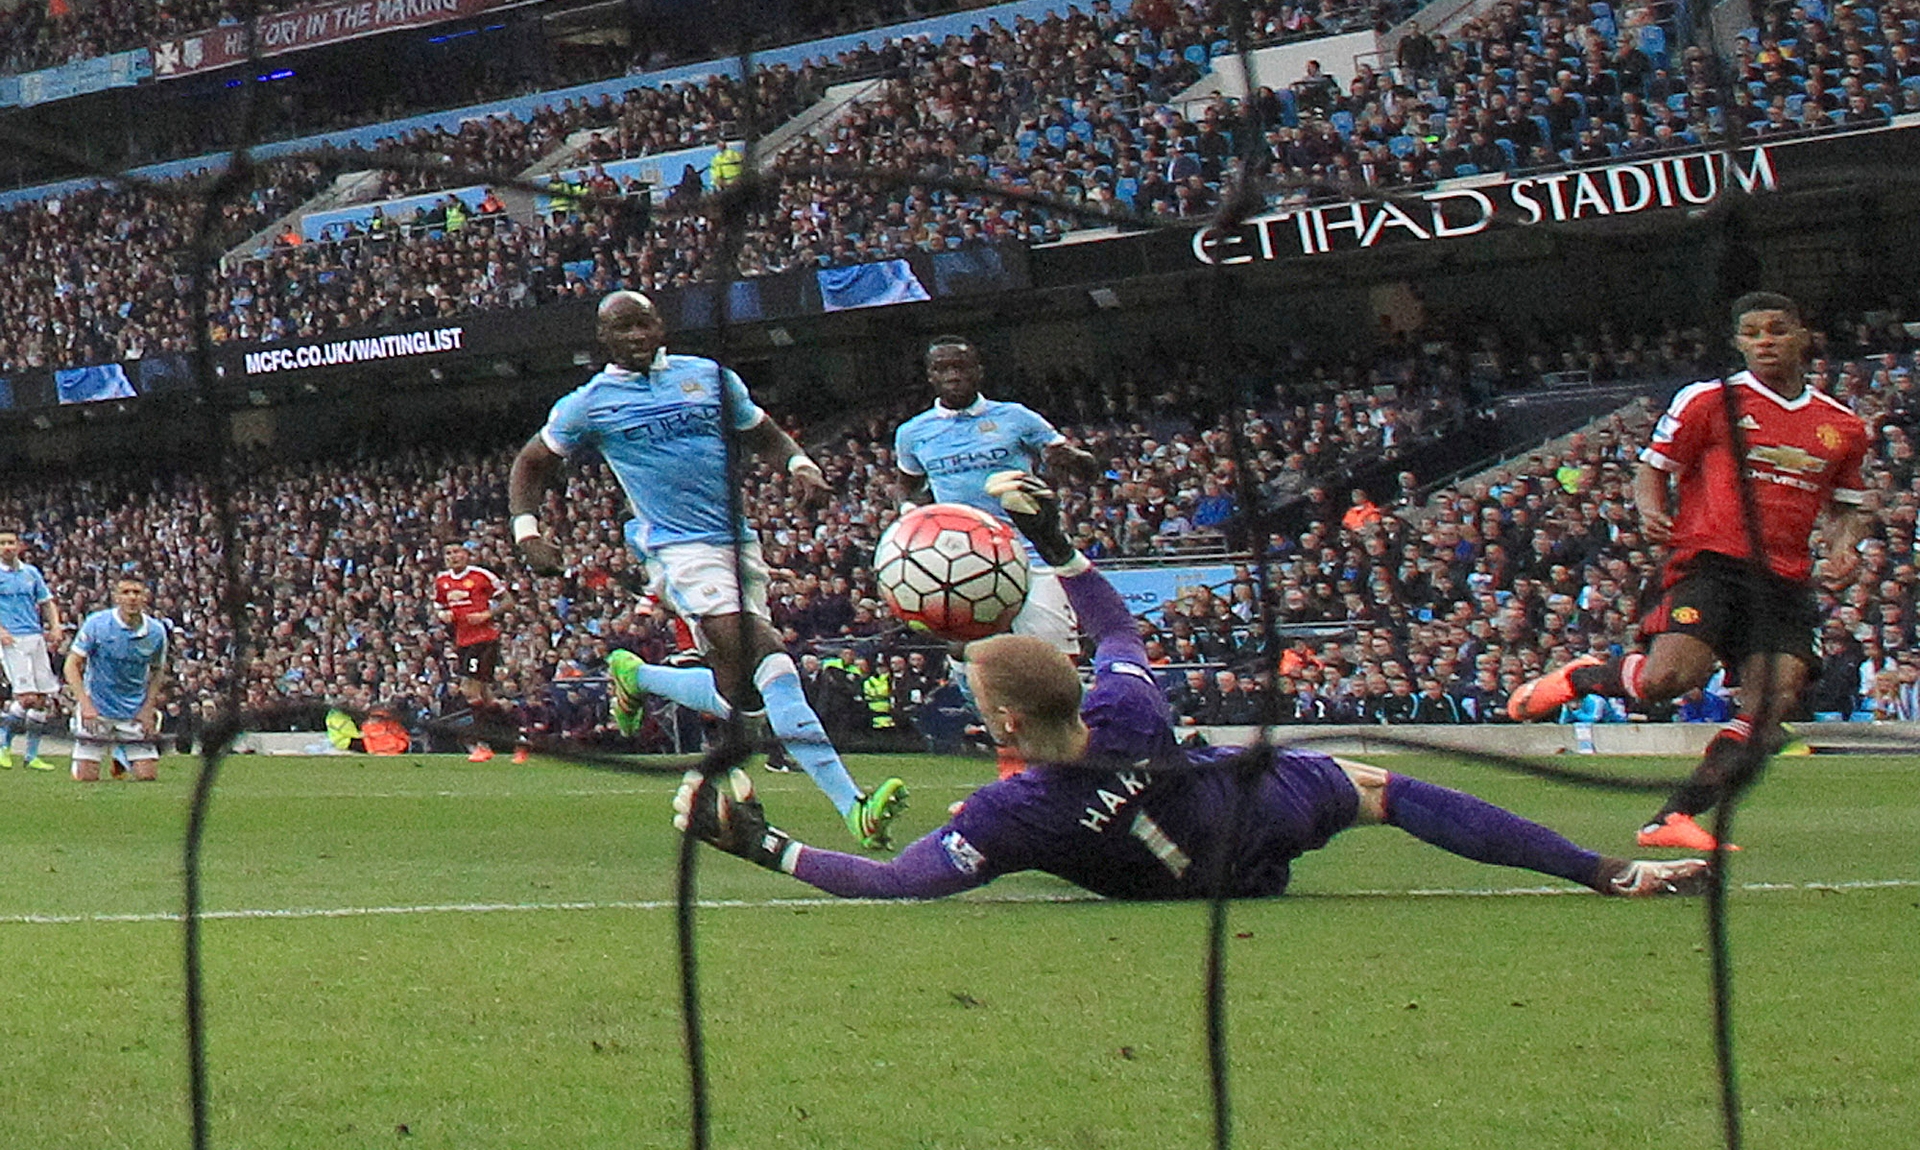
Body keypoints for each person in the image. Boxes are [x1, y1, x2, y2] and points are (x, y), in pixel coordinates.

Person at [676, 474, 1710, 903]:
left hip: (1180, 882)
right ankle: (1603, 873)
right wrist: (1057, 544)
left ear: (999, 723)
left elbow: (901, 884)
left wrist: (762, 844)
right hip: (1251, 821)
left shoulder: (1009, 812)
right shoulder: (1125, 706)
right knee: (1383, 789)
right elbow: (1117, 626)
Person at [508, 290, 905, 849]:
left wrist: (799, 463)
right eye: (621, 329)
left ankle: (639, 676)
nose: (636, 336)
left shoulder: (707, 377)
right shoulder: (589, 403)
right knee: (768, 655)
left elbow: (760, 430)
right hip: (676, 549)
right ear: (604, 339)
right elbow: (532, 462)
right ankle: (854, 806)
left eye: (642, 324)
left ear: (660, 323)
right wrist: (528, 532)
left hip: (739, 543)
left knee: (744, 693)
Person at [1506, 293, 1872, 850]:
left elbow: (1848, 504)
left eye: (1777, 330)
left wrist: (1846, 548)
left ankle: (1671, 819)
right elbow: (1655, 467)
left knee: (1770, 715)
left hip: (1784, 579)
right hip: (1711, 562)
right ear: (1738, 342)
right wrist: (1652, 511)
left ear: (1803, 336)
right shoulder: (1710, 401)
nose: (1765, 341)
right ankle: (1582, 676)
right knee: (1667, 681)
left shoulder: (1841, 425)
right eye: (1752, 333)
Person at [893, 335, 1100, 776]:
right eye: (943, 368)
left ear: (978, 371)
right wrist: (909, 515)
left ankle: (1079, 761)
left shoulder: (1015, 418)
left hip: (1029, 555)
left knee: (1056, 666)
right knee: (976, 668)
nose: (953, 375)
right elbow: (906, 484)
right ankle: (1013, 770)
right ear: (930, 376)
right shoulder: (913, 433)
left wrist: (1075, 461)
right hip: (964, 563)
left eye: (961, 367)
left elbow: (1074, 460)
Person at [63, 575, 169, 783]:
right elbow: (71, 665)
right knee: (86, 778)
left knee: (147, 777)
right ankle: (94, 759)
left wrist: (148, 708)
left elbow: (158, 671)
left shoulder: (156, 632)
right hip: (98, 708)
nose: (131, 598)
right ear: (116, 597)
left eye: (136, 592)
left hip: (133, 710)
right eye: (126, 592)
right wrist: (86, 705)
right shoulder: (97, 624)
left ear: (145, 597)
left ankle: (121, 755)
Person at [432, 541, 520, 763]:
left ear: (467, 554)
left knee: (469, 690)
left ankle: (482, 745)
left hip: (484, 639)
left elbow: (509, 601)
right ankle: (520, 740)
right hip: (462, 641)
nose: (453, 556)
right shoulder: (442, 581)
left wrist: (487, 615)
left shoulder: (481, 575)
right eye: (448, 553)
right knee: (487, 698)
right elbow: (438, 605)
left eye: (457, 552)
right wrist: (443, 615)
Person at [0, 527, 63, 771]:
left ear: (19, 546)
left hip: (35, 637)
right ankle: (3, 746)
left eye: (11, 542)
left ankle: (31, 755)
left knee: (41, 699)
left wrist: (55, 626)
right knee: (26, 697)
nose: (7, 547)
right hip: (11, 639)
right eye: (2, 543)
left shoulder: (30, 573)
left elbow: (46, 602)